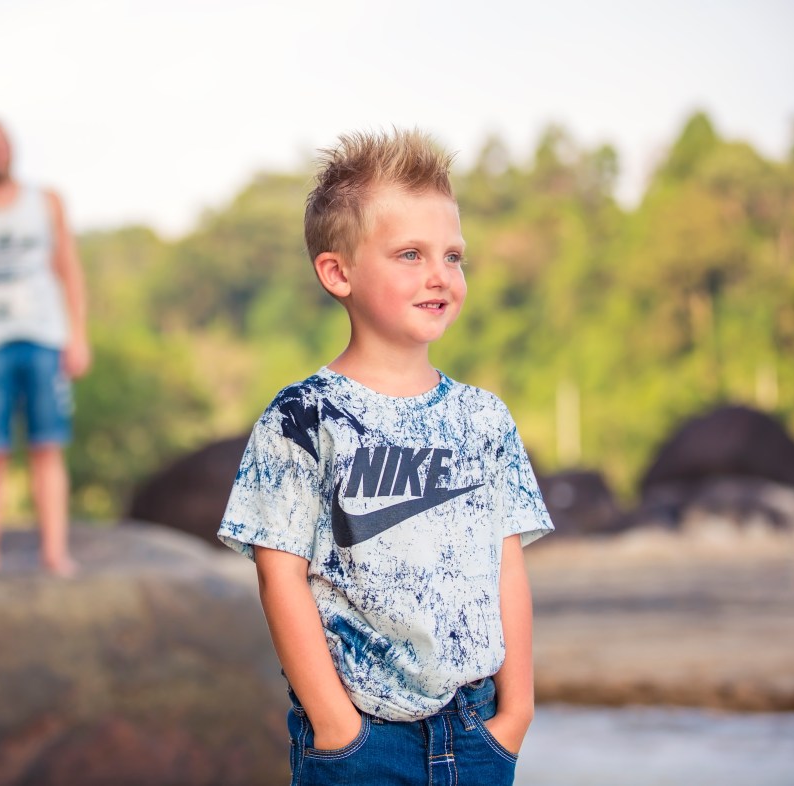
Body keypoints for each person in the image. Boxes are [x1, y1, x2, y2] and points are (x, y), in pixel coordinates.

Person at [218, 129, 554, 785]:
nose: (439, 275)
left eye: (453, 256)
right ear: (337, 272)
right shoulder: (301, 419)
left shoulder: (483, 418)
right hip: (363, 744)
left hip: (478, 731)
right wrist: (336, 726)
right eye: (410, 254)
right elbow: (278, 575)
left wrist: (517, 710)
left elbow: (506, 562)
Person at [0, 119, 90, 577]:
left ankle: (54, 552)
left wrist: (78, 334)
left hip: (43, 335)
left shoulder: (45, 201)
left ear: (11, 148)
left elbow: (68, 269)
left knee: (47, 446)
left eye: (0, 143)